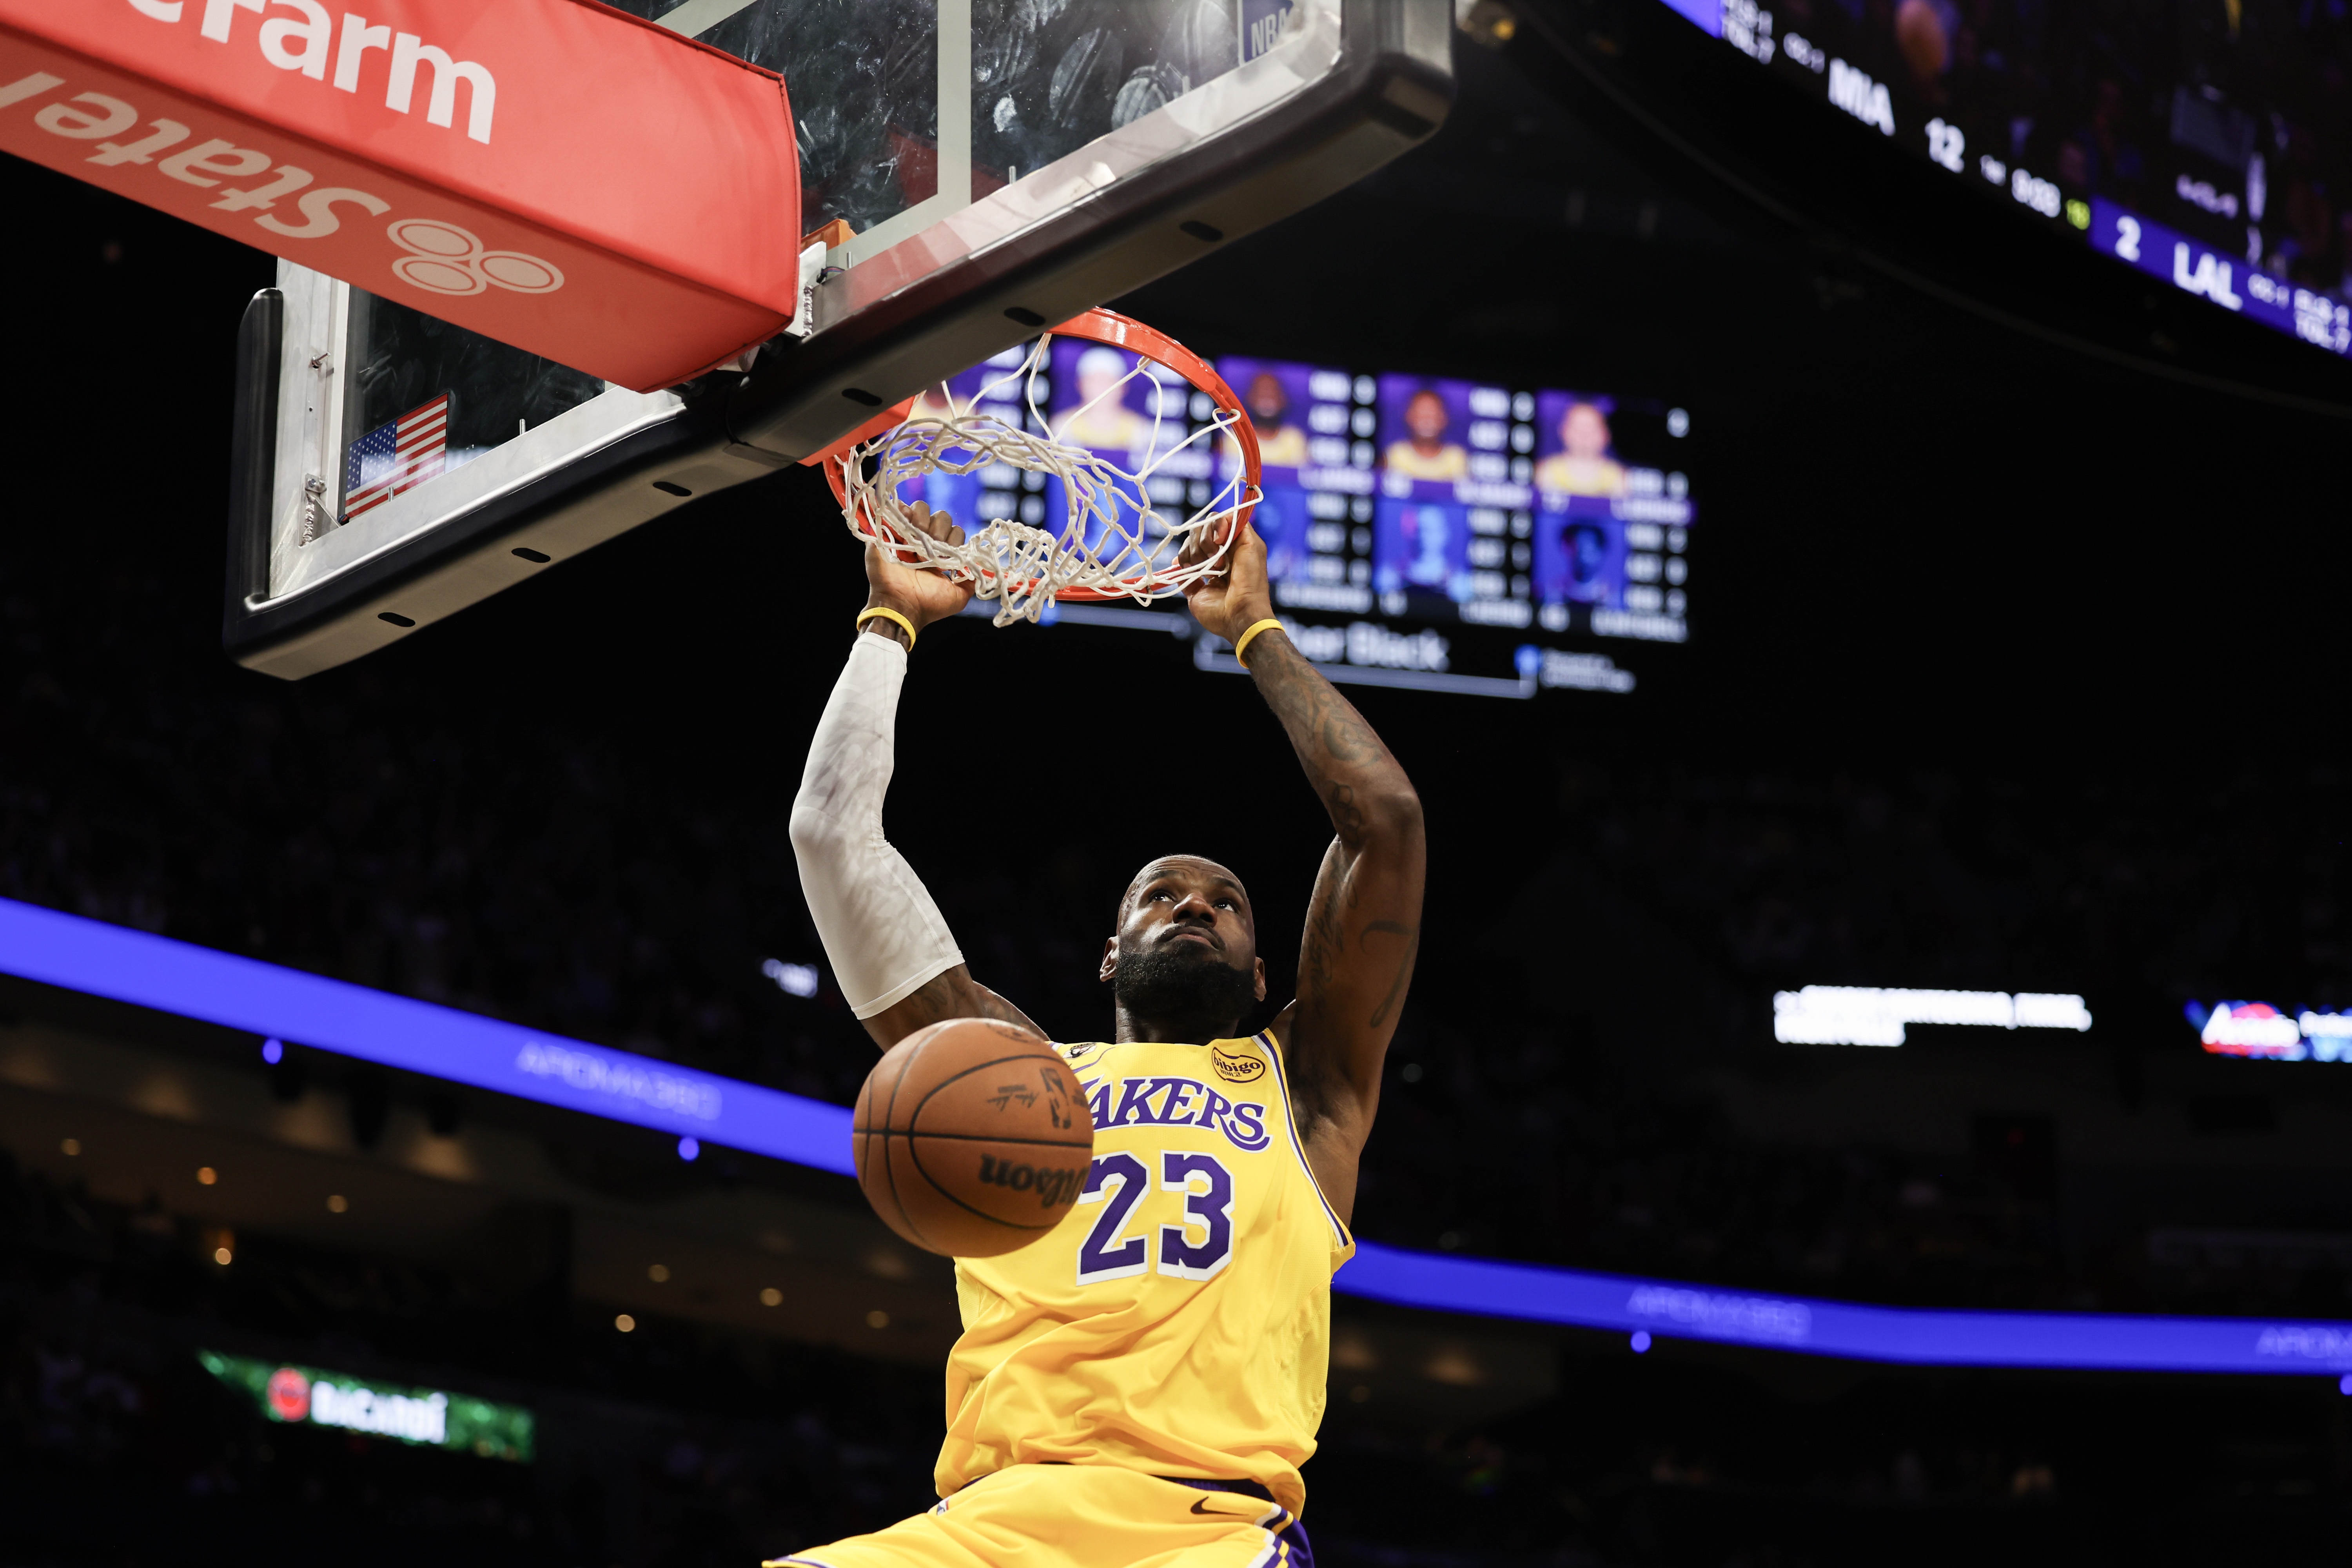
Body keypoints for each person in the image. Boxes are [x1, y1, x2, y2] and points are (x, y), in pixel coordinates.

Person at [780, 504, 1425, 1568]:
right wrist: (888, 623)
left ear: (1265, 977)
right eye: (1159, 894)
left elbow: (1385, 824)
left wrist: (1256, 632)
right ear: (1111, 956)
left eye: (1225, 901)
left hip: (1203, 1531)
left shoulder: (1306, 1087)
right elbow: (828, 835)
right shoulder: (1004, 1074)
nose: (1194, 902)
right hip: (989, 1526)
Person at [1532, 401, 1626, 498]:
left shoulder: (1619, 477)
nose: (1584, 435)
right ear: (1563, 431)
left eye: (1591, 428)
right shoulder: (1544, 472)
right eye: (1577, 428)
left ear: (1605, 434)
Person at [1379, 388, 1468, 481]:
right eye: (1421, 413)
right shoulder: (1394, 455)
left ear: (1444, 419)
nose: (1427, 420)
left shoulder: (1457, 458)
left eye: (1433, 413)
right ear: (1409, 417)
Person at [1246, 371, 1310, 468]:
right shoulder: (1233, 438)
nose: (1267, 399)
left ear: (1283, 399)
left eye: (1272, 393)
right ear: (1250, 398)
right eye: (1261, 393)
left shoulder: (1295, 440)